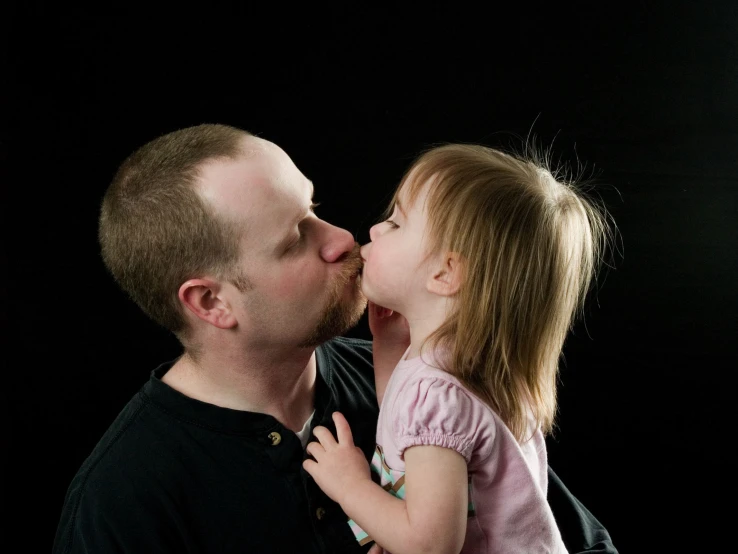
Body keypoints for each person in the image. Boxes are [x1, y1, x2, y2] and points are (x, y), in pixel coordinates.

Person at [52, 123, 617, 553]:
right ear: (212, 303)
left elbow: (558, 533)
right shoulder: (121, 505)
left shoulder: (432, 378)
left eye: (314, 208)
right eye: (297, 236)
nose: (343, 238)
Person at [303, 143, 616, 553]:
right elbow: (402, 428)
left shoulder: (436, 392)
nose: (376, 230)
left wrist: (352, 487)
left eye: (396, 225)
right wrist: (390, 345)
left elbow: (430, 547)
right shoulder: (473, 363)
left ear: (445, 273)